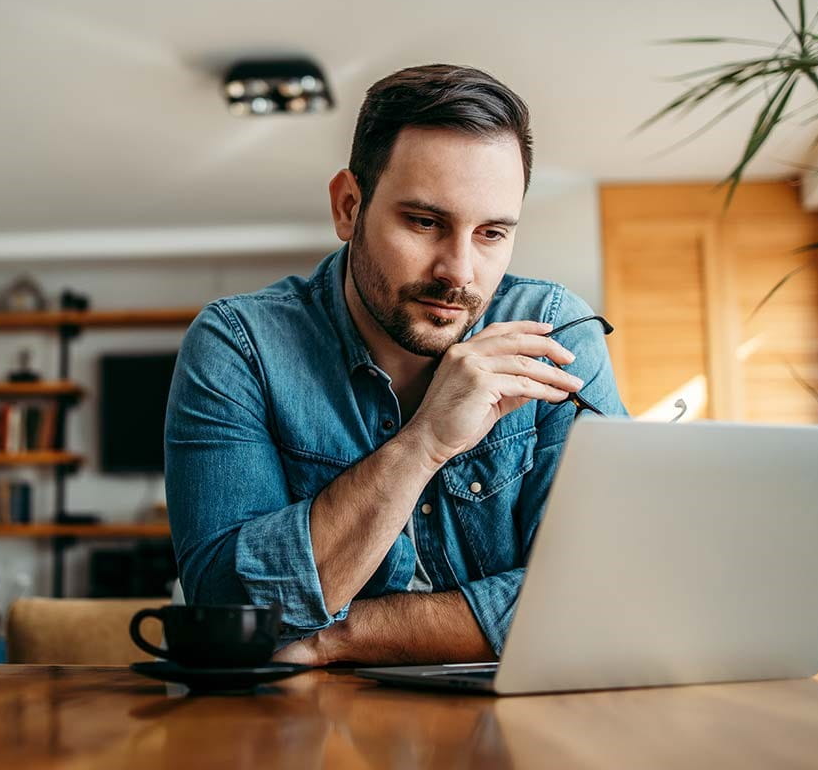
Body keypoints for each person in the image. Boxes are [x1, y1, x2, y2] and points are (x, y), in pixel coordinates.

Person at [164, 64, 627, 665]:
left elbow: (609, 590)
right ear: (349, 206)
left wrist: (338, 635)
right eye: (426, 222)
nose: (458, 273)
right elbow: (230, 613)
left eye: (491, 233)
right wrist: (425, 442)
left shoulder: (556, 331)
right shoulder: (240, 346)